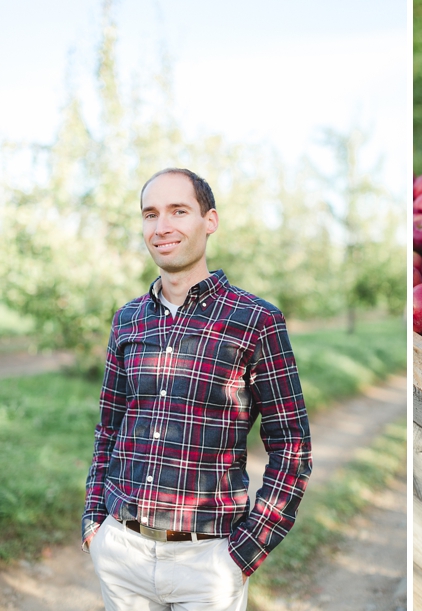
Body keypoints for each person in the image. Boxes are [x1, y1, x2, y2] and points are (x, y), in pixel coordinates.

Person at [81, 168, 312, 611]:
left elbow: (292, 446)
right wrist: (95, 520)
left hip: (207, 561)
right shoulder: (128, 320)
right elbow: (108, 428)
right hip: (121, 550)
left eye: (178, 211)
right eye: (150, 214)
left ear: (210, 221)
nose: (161, 226)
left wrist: (246, 552)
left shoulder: (255, 321)